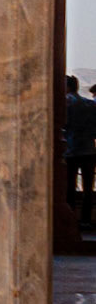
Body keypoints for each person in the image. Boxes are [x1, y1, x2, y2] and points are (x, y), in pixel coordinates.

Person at [66, 76, 96, 227]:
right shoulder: (89, 104)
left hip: (71, 150)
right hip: (89, 150)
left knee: (70, 187)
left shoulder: (67, 102)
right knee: (88, 188)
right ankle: (86, 219)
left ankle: (70, 220)